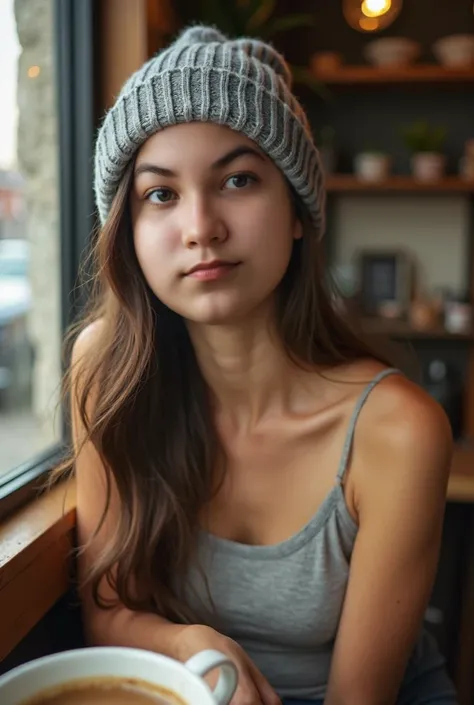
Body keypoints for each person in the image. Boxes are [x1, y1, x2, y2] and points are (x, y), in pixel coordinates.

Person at [62, 23, 457, 705]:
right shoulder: (105, 369)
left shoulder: (397, 429)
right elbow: (108, 610)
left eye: (238, 180)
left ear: (298, 211)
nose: (200, 226)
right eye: (161, 193)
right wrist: (195, 644)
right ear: (126, 227)